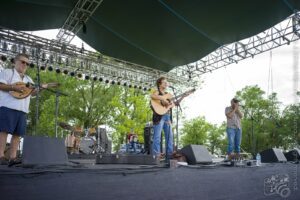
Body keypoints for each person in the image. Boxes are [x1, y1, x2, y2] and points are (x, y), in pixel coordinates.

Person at [0, 53, 46, 166]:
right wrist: (13, 87)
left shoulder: (28, 79)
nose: (25, 65)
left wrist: (41, 89)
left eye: (27, 63)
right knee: (3, 132)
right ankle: (0, 156)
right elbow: (0, 85)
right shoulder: (7, 72)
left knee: (17, 134)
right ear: (15, 62)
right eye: (22, 62)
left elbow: (33, 93)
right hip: (7, 106)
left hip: (23, 110)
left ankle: (13, 158)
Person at [150, 77, 175, 160]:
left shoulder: (169, 94)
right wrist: (163, 98)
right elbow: (152, 96)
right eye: (164, 82)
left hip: (167, 116)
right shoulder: (158, 92)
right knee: (157, 137)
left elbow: (171, 105)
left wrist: (171, 104)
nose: (166, 83)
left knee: (169, 138)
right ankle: (156, 158)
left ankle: (169, 158)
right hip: (159, 116)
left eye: (166, 82)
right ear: (159, 84)